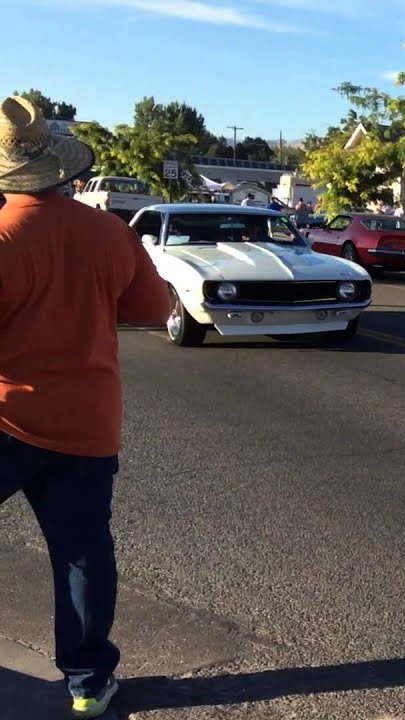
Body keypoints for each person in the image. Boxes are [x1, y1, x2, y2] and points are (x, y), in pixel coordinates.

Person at [0, 95, 170, 718]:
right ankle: (88, 684)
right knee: (81, 553)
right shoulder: (109, 232)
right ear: (61, 169)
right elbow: (153, 310)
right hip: (86, 426)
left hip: (7, 416)